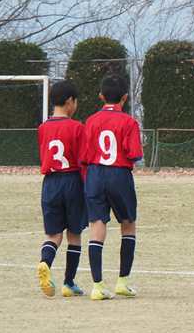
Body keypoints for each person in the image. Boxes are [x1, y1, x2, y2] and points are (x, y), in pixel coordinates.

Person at [83, 75, 143, 301]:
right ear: (125, 97)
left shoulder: (91, 121)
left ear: (101, 96)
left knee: (97, 225)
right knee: (128, 225)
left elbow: (85, 155)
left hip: (95, 174)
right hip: (119, 174)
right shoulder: (129, 122)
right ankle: (122, 282)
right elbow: (134, 154)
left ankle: (97, 286)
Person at [35, 80, 88, 298]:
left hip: (50, 183)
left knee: (53, 234)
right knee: (74, 234)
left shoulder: (43, 128)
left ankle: (45, 262)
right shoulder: (77, 127)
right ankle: (69, 282)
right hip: (72, 180)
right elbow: (83, 159)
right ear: (69, 102)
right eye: (76, 101)